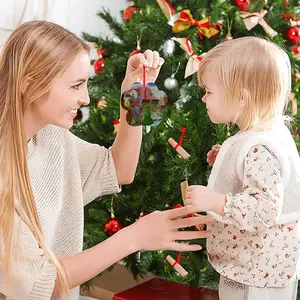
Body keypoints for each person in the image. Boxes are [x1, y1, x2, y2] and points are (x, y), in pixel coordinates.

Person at [0, 20, 212, 300]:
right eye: (76, 86)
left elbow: (119, 170)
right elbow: (39, 282)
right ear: (30, 83)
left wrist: (133, 91)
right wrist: (134, 237)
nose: (86, 98)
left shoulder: (51, 137)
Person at [183, 36, 300, 300]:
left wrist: (216, 201)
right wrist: (225, 157)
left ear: (242, 98)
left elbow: (264, 210)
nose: (203, 98)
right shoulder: (264, 133)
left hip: (257, 276)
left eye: (209, 91)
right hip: (258, 268)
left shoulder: (260, 148)